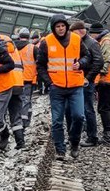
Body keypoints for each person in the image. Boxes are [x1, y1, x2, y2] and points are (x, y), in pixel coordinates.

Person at [36, 14, 89, 160]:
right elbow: (40, 65)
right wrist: (49, 82)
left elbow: (87, 56)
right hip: (57, 87)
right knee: (57, 120)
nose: (60, 29)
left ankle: (74, 142)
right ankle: (60, 150)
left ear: (66, 26)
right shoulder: (46, 42)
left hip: (75, 85)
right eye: (57, 26)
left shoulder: (76, 39)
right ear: (53, 28)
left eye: (63, 26)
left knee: (79, 116)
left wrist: (81, 63)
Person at [69, 21, 104, 147]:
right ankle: (85, 133)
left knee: (87, 108)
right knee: (83, 108)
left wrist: (88, 78)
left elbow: (99, 62)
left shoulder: (91, 43)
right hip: (80, 79)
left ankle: (92, 137)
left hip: (86, 81)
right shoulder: (84, 41)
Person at [92, 23, 110, 144]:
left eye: (91, 33)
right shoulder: (108, 39)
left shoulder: (106, 41)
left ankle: (109, 135)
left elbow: (107, 59)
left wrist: (99, 73)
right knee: (107, 107)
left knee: (104, 108)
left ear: (96, 33)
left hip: (107, 79)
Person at [13, 28, 37, 129]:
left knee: (17, 101)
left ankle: (17, 120)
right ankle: (24, 122)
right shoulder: (33, 48)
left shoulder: (12, 47)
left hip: (15, 79)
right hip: (28, 79)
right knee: (26, 100)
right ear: (29, 37)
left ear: (19, 36)